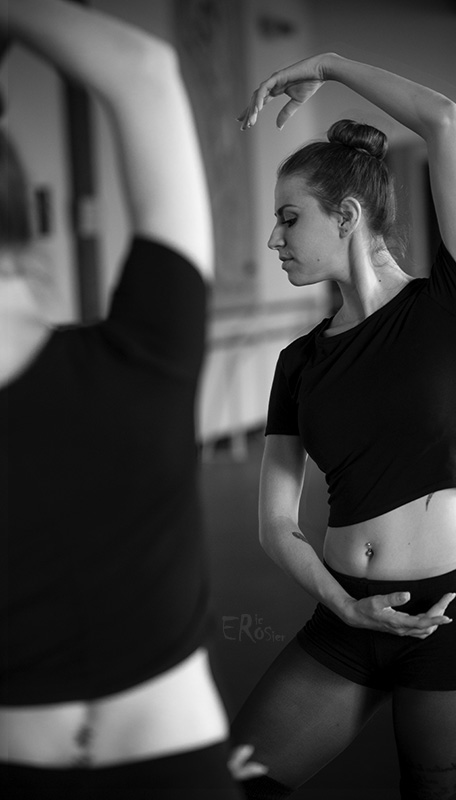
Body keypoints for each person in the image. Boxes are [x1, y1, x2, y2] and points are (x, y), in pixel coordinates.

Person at [232, 52, 456, 799]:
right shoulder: (300, 362)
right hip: (345, 617)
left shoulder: (449, 305)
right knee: (238, 778)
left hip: (447, 618)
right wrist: (343, 603)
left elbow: (443, 118)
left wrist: (327, 64)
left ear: (348, 216)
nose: (275, 240)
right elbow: (273, 522)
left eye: (290, 218)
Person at [0, 0, 256, 796]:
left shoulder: (146, 350)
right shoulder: (148, 349)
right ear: (25, 219)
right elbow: (144, 74)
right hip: (178, 765)